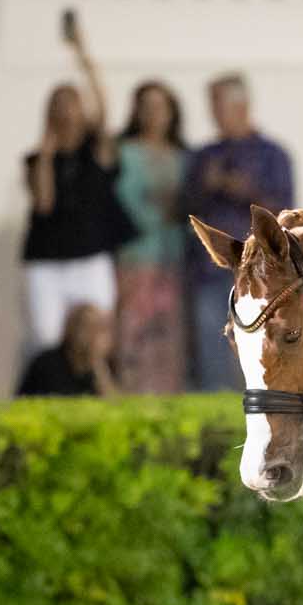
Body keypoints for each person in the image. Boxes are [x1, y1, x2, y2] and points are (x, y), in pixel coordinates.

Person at [19, 19, 136, 349]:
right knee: (48, 335)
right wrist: (45, 153)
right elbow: (43, 204)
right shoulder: (38, 160)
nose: (66, 111)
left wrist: (82, 55)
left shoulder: (94, 151)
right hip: (48, 258)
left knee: (98, 329)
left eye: (71, 102)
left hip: (89, 255)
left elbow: (103, 105)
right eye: (58, 104)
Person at [180, 72, 294, 390]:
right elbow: (184, 210)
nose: (213, 114)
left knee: (261, 357)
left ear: (240, 105)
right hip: (210, 270)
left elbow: (284, 213)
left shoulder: (273, 156)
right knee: (212, 356)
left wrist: (245, 190)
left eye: (218, 104)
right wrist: (208, 185)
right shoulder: (204, 157)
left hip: (260, 277)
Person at [113, 80, 189, 393]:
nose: (154, 114)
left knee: (170, 338)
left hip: (174, 259)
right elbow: (125, 200)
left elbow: (192, 205)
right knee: (134, 334)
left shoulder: (184, 156)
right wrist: (164, 212)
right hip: (137, 258)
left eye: (161, 106)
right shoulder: (125, 153)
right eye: (147, 106)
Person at [18, 301, 117, 396]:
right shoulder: (46, 364)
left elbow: (110, 404)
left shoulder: (101, 370)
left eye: (98, 330)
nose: (91, 337)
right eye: (86, 328)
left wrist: (99, 368)